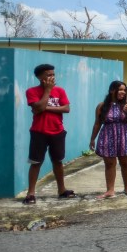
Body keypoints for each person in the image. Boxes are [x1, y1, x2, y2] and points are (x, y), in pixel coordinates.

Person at [25, 63, 74, 204]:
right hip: (38, 131)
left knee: (58, 161)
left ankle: (62, 189)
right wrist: (47, 91)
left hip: (57, 130)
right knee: (36, 162)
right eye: (48, 75)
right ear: (40, 77)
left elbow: (66, 108)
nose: (52, 77)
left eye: (53, 74)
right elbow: (37, 108)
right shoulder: (31, 91)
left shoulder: (60, 91)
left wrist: (44, 107)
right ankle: (31, 193)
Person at [89, 80, 127, 198]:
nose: (123, 92)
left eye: (124, 90)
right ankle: (110, 190)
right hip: (107, 136)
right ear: (112, 91)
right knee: (109, 164)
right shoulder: (102, 106)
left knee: (125, 163)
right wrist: (92, 139)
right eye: (120, 90)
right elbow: (97, 123)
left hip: (124, 137)